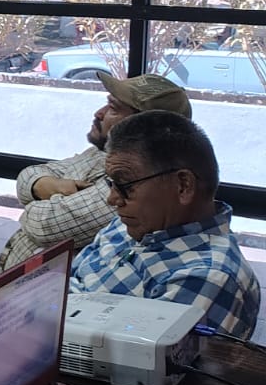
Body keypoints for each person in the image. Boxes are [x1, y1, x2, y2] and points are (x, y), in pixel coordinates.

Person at [0, 72, 190, 285]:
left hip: (28, 296)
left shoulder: (131, 187)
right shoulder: (98, 154)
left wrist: (35, 200)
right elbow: (28, 175)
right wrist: (46, 185)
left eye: (113, 108)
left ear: (141, 127)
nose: (99, 113)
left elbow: (43, 226)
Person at [72, 110, 260, 339]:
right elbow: (67, 280)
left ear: (183, 186)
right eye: (111, 183)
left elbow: (133, 356)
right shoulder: (134, 225)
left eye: (125, 185)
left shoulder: (206, 277)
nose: (112, 199)